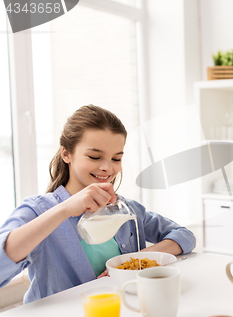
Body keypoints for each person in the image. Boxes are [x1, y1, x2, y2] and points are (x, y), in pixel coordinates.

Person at [0, 105, 196, 304]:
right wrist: (65, 209)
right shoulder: (39, 210)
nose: (107, 168)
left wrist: (136, 260)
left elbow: (183, 236)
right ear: (66, 154)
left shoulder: (125, 210)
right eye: (94, 157)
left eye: (116, 158)